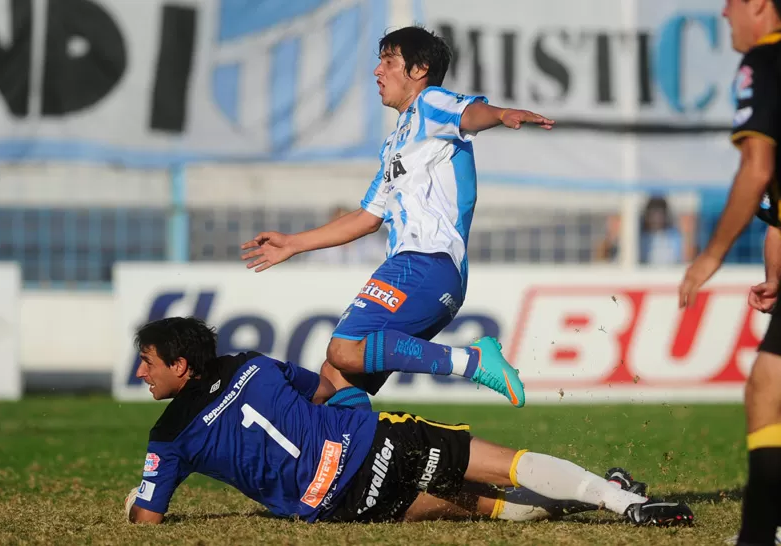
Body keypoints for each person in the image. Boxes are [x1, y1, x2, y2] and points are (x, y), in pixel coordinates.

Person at [240, 26, 554, 411]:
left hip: (424, 262)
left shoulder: (430, 103)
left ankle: (472, 362)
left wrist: (502, 114)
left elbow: (469, 113)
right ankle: (361, 463)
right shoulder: (396, 144)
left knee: (342, 349)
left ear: (419, 70)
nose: (378, 71)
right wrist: (294, 244)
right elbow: (367, 217)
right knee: (335, 380)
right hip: (431, 274)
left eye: (389, 62)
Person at [123, 317, 694, 527]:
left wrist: (134, 506)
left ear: (180, 364)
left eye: (147, 362)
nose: (142, 373)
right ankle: (621, 502)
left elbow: (148, 517)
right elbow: (323, 387)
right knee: (502, 465)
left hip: (339, 505)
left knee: (485, 506)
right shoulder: (250, 362)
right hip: (372, 442)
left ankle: (601, 496)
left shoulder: (168, 437)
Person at [677, 0, 781, 543]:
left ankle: (760, 535)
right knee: (775, 386)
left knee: (768, 391)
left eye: (731, 3)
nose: (724, 14)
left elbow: (757, 169)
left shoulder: (765, 61)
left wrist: (710, 256)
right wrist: (780, 273)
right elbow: (776, 210)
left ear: (759, 7)